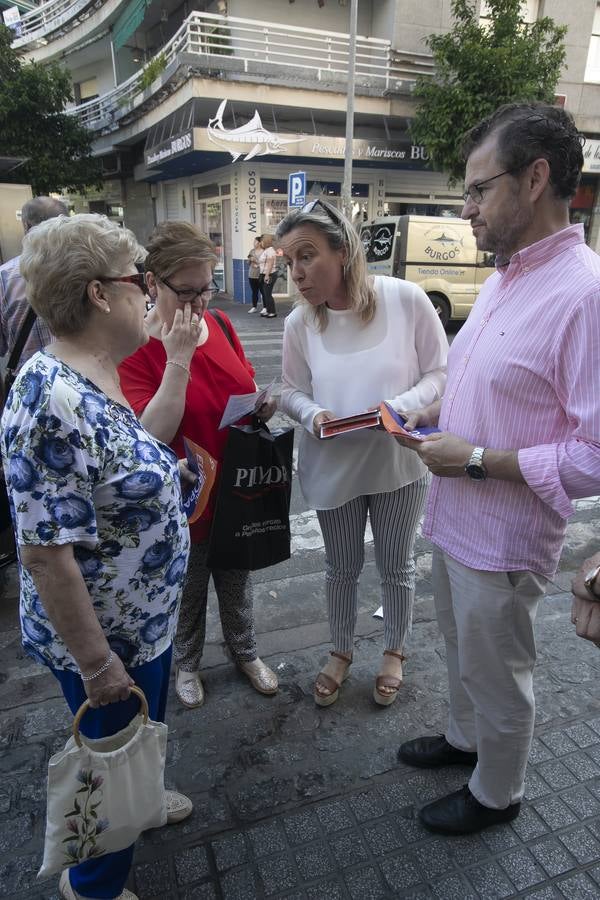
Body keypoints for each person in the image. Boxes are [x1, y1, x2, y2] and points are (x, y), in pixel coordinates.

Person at [395, 102, 600, 836]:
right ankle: (463, 740)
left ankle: (497, 792)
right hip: (455, 517)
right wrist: (438, 422)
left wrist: (476, 460)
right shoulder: (509, 277)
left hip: (506, 535)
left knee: (500, 673)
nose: (466, 206)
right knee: (459, 651)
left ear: (536, 178)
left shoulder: (586, 292)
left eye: (480, 188)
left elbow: (593, 457)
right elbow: (488, 384)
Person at [1, 213, 193, 900]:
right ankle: (96, 883)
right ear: (97, 294)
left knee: (141, 735)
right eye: (140, 280)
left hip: (144, 622)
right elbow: (46, 555)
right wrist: (98, 664)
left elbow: (117, 463)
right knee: (106, 760)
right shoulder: (47, 398)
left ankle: (141, 798)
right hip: (106, 641)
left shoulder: (99, 369)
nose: (151, 292)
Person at [276, 198, 447, 708]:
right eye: (288, 262)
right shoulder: (300, 324)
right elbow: (289, 390)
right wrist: (313, 415)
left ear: (344, 250)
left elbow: (441, 373)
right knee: (340, 569)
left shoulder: (406, 299)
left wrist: (398, 407)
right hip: (332, 466)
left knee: (397, 566)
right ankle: (341, 650)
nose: (297, 273)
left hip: (397, 463)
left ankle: (395, 649)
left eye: (307, 256)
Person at [119, 220, 278, 710]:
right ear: (152, 284)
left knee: (237, 578)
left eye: (205, 288)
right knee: (186, 588)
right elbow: (150, 433)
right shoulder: (134, 345)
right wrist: (178, 356)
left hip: (235, 484)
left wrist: (261, 405)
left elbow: (243, 383)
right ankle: (187, 663)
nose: (198, 303)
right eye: (185, 291)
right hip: (183, 493)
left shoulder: (224, 325)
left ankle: (245, 651)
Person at [0, 196, 68, 369]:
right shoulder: (90, 267)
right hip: (85, 382)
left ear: (26, 226)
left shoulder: (4, 276)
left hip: (30, 385)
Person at [258, 233, 277, 318]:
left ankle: (272, 312)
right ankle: (268, 310)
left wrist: (267, 275)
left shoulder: (270, 251)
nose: (260, 243)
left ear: (265, 241)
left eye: (261, 241)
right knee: (265, 294)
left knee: (268, 294)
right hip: (264, 274)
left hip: (270, 274)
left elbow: (270, 263)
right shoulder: (266, 250)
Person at [247, 237, 262, 313]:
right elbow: (248, 263)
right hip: (251, 274)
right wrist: (250, 260)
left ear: (259, 243)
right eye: (254, 241)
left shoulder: (264, 252)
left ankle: (265, 307)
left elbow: (264, 263)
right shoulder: (252, 251)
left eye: (255, 241)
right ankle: (254, 307)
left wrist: (256, 261)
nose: (254, 243)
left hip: (260, 274)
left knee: (263, 292)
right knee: (254, 292)